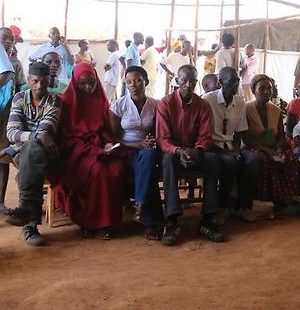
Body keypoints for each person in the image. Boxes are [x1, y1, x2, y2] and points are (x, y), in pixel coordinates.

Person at [57, 63, 126, 240]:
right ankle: (89, 222)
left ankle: (108, 222)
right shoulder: (67, 102)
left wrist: (108, 144)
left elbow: (105, 130)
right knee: (98, 171)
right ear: (75, 82)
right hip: (77, 151)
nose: (88, 87)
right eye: (83, 83)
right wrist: (94, 150)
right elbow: (67, 138)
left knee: (117, 167)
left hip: (100, 146)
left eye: (92, 83)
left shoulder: (100, 98)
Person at [156, 65, 223, 246]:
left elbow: (205, 137)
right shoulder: (165, 103)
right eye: (184, 80)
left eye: (192, 81)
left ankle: (207, 219)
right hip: (174, 152)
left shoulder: (202, 105)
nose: (188, 85)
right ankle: (172, 220)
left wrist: (197, 150)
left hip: (195, 152)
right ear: (177, 81)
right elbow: (162, 139)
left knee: (212, 159)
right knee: (168, 160)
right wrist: (178, 151)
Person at [3, 62, 60, 246]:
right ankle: (30, 223)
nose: (39, 86)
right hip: (29, 153)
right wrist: (34, 138)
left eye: (44, 82)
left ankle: (27, 215)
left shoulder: (54, 100)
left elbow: (47, 130)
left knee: (32, 154)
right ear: (28, 80)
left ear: (49, 81)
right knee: (32, 151)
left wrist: (12, 148)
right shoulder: (19, 98)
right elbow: (12, 132)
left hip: (46, 154)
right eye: (35, 81)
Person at [109, 66, 162, 240]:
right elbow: (114, 136)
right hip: (125, 151)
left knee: (149, 156)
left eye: (138, 80)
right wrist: (138, 143)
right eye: (129, 81)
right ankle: (150, 220)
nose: (133, 85)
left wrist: (148, 143)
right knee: (147, 172)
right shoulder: (119, 105)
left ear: (146, 82)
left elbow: (158, 132)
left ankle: (140, 206)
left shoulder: (155, 105)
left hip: (147, 150)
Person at [202, 67, 259, 224]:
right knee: (229, 162)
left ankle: (243, 207)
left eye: (237, 81)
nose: (236, 84)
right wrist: (229, 153)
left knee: (252, 160)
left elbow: (239, 131)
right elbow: (203, 133)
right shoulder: (208, 100)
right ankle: (222, 207)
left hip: (230, 146)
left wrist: (235, 149)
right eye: (231, 81)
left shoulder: (239, 102)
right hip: (212, 147)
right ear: (221, 82)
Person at [244, 75, 300, 219]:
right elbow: (247, 139)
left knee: (290, 158)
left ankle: (284, 200)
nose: (266, 92)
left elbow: (280, 135)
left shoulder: (275, 110)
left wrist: (279, 149)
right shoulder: (246, 109)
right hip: (253, 146)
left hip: (273, 145)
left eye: (269, 88)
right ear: (253, 91)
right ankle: (274, 200)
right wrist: (269, 152)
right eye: (261, 89)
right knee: (263, 159)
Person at [0, 28, 22, 215]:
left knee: (3, 159)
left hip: (6, 113)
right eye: (4, 38)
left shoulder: (15, 62)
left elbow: (21, 86)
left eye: (11, 38)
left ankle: (0, 202)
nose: (8, 41)